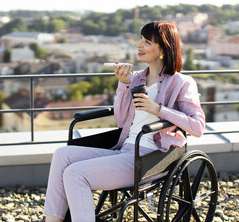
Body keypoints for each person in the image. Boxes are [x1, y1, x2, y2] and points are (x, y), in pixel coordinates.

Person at [43, 21, 205, 222]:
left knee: (75, 174)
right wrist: (123, 85)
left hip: (149, 158)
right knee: (62, 155)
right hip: (125, 148)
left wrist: (159, 110)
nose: (139, 45)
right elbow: (121, 121)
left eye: (147, 42)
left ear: (163, 48)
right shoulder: (136, 78)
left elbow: (198, 126)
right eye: (140, 39)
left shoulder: (181, 82)